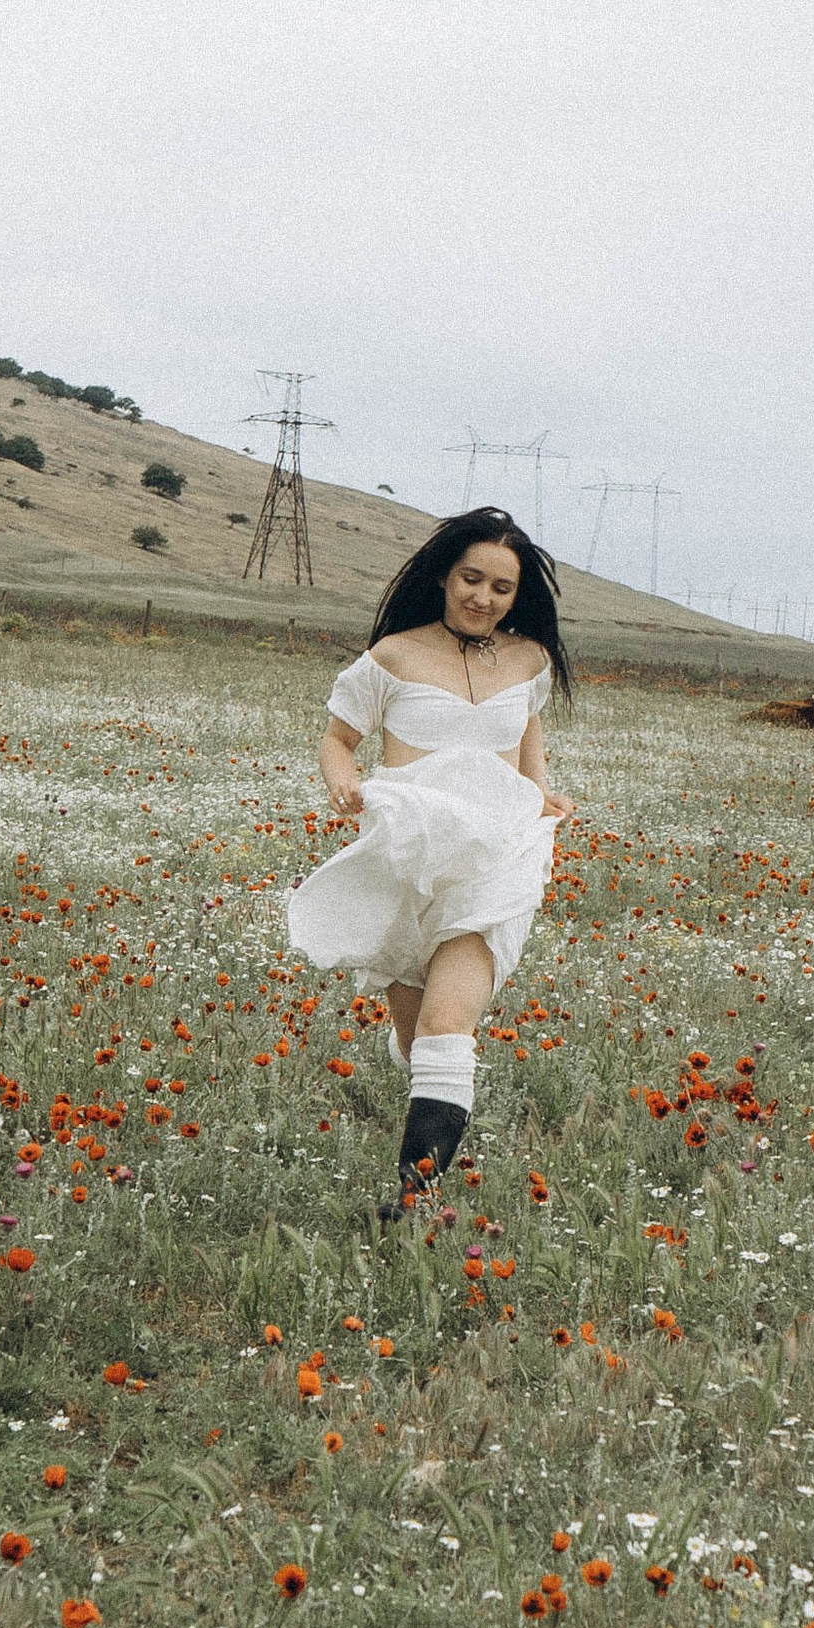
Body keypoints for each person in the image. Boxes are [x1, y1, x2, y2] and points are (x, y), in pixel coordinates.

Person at [285, 508, 572, 1211]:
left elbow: (526, 747)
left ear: (517, 594)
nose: (483, 597)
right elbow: (337, 740)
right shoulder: (392, 657)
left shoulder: (529, 659)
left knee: (450, 1025)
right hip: (407, 858)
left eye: (501, 588)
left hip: (496, 859)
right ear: (444, 576)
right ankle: (430, 1098)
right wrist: (343, 781)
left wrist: (543, 796)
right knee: (418, 1043)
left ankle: (412, 1198)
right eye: (471, 579)